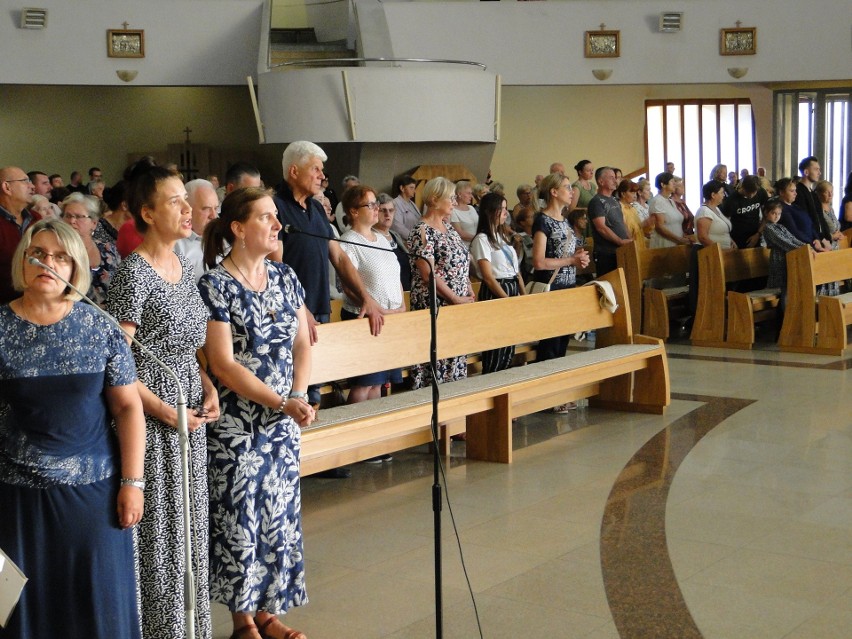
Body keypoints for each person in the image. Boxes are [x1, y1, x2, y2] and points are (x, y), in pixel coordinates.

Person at [0, 219, 145, 638]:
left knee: (97, 608)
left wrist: (132, 482)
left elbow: (128, 408)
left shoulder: (101, 327)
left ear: (75, 268)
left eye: (61, 256)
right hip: (18, 501)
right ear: (22, 261)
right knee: (22, 613)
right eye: (39, 253)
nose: (48, 263)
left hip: (93, 498)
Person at [106, 157, 220, 639]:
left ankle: (192, 628)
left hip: (188, 418)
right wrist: (164, 410)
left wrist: (210, 386)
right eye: (174, 202)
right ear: (147, 213)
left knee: (190, 532)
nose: (186, 210)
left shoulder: (182, 263)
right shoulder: (134, 274)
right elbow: (118, 363)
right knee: (162, 534)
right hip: (152, 426)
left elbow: (191, 346)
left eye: (185, 201)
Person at [199, 187, 314, 639]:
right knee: (240, 517)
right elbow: (223, 365)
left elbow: (302, 341)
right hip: (236, 427)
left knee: (278, 515)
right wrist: (281, 401)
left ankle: (269, 611)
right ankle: (243, 620)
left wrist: (299, 395)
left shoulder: (285, 277)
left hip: (283, 420)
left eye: (274, 217)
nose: (276, 224)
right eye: (265, 217)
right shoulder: (214, 285)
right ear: (238, 228)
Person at [406, 177, 474, 389]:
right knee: (437, 360)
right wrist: (455, 298)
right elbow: (428, 275)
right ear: (434, 199)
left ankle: (453, 412)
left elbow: (461, 261)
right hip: (436, 305)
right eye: (450, 198)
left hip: (458, 305)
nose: (454, 202)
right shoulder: (422, 231)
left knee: (455, 357)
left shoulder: (449, 228)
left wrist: (468, 289)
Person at [530, 172, 590, 396]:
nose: (571, 190)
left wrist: (578, 257)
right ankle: (545, 394)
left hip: (567, 286)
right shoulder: (542, 220)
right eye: (566, 187)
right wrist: (571, 260)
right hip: (551, 288)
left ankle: (557, 392)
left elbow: (563, 253)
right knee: (550, 343)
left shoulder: (564, 220)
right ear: (554, 192)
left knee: (562, 342)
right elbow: (539, 261)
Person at [471, 192, 525, 373]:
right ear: (490, 211)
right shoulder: (482, 239)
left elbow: (516, 271)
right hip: (496, 290)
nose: (505, 213)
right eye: (502, 209)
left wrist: (523, 295)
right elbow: (487, 276)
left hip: (511, 286)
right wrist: (506, 299)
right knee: (496, 345)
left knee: (508, 344)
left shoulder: (502, 237)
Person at [61, 192, 120, 307]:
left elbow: (122, 286)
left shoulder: (109, 250)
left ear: (94, 223)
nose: (72, 221)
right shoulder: (57, 253)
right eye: (68, 216)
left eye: (78, 216)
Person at [0, 166, 39, 304]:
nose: (33, 186)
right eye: (25, 181)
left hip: (36, 301)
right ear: (7, 187)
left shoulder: (37, 219)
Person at [174, 178, 221, 283]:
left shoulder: (226, 239)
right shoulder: (175, 246)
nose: (214, 216)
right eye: (206, 209)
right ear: (187, 209)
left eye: (216, 208)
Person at [588, 167, 632, 275]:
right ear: (601, 181)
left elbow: (622, 222)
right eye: (611, 177)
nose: (615, 180)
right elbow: (601, 228)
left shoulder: (614, 200)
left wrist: (630, 239)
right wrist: (620, 241)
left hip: (622, 251)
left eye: (615, 178)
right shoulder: (596, 201)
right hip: (606, 253)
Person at [373, 192, 411, 291]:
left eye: (391, 210)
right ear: (375, 212)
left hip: (406, 290)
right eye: (383, 210)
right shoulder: (371, 237)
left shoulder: (395, 235)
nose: (387, 214)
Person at [722, 175, 768, 248]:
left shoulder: (761, 193)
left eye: (754, 192)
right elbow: (724, 222)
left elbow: (766, 216)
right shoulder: (732, 200)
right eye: (749, 192)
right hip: (737, 237)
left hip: (755, 234)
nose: (751, 195)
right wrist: (730, 239)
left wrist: (758, 234)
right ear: (743, 187)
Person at [649, 172, 692, 248]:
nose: (674, 184)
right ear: (663, 185)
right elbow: (659, 227)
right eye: (672, 182)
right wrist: (679, 239)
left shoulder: (670, 201)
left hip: (676, 243)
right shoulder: (657, 201)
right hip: (664, 243)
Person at [695, 180, 735, 248]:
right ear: (713, 195)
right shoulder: (704, 211)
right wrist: (719, 250)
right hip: (711, 254)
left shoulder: (716, 209)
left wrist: (731, 241)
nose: (724, 195)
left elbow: (723, 232)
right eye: (721, 193)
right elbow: (703, 238)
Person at [616, 179, 649, 249]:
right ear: (623, 194)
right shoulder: (619, 208)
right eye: (632, 193)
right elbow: (624, 229)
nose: (635, 196)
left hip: (639, 242)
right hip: (629, 245)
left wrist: (648, 223)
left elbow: (639, 227)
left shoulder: (632, 208)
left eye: (635, 193)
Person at [391, 174, 420, 242]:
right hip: (404, 242)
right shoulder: (395, 203)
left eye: (414, 188)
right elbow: (397, 227)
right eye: (411, 187)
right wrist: (413, 238)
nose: (414, 191)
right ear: (402, 188)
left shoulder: (413, 204)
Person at [450, 180, 478, 246]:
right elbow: (460, 233)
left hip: (477, 244)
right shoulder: (453, 210)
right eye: (468, 193)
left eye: (471, 193)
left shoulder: (471, 208)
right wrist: (478, 239)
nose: (471, 196)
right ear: (459, 194)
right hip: (465, 246)